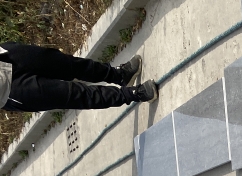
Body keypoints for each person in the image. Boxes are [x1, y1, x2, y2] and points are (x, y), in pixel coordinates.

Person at [0, 44, 158, 112]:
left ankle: (119, 75)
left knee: (64, 63)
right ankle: (133, 94)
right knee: (73, 94)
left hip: (5, 55)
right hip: (7, 89)